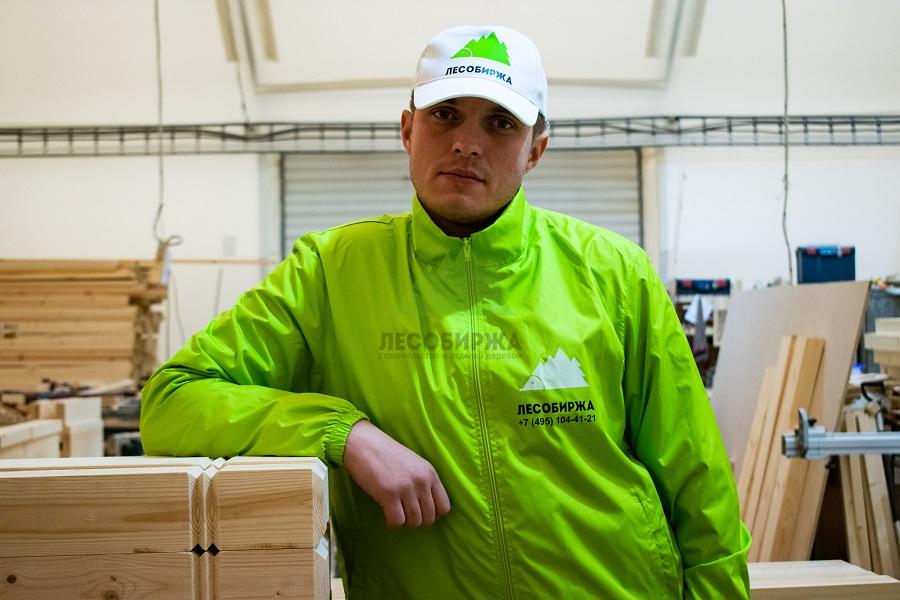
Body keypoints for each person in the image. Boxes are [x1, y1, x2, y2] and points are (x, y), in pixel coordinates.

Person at [141, 25, 750, 599]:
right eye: (445, 114)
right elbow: (173, 400)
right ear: (409, 129)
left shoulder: (613, 272)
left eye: (500, 123)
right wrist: (344, 434)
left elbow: (696, 476)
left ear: (535, 150)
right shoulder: (329, 273)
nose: (466, 143)